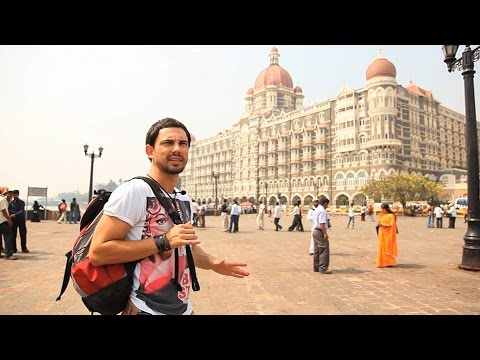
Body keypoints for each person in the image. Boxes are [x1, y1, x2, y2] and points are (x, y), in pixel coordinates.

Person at [89, 117, 249, 315]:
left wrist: (213, 263)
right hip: (144, 308)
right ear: (150, 151)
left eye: (183, 144)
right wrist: (163, 241)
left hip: (183, 308)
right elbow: (98, 253)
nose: (177, 149)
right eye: (168, 142)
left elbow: (187, 248)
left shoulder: (183, 200)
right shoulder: (134, 191)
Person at [312, 196, 332, 274]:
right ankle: (323, 267)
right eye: (327, 204)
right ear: (325, 203)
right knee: (324, 248)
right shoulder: (322, 211)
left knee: (317, 249)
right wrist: (325, 233)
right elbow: (322, 224)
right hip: (320, 231)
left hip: (315, 231)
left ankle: (316, 267)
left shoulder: (316, 210)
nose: (327, 206)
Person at [376, 203, 398, 268]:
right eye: (382, 209)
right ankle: (382, 262)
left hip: (388, 234)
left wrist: (383, 224)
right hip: (382, 233)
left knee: (387, 247)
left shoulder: (391, 215)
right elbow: (379, 222)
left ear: (387, 209)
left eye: (383, 209)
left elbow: (391, 224)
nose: (382, 210)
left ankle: (388, 262)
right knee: (381, 248)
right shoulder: (382, 215)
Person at [0, 186, 17, 260]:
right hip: (2, 221)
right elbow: (4, 211)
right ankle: (9, 254)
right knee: (8, 237)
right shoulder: (2, 199)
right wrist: (9, 219)